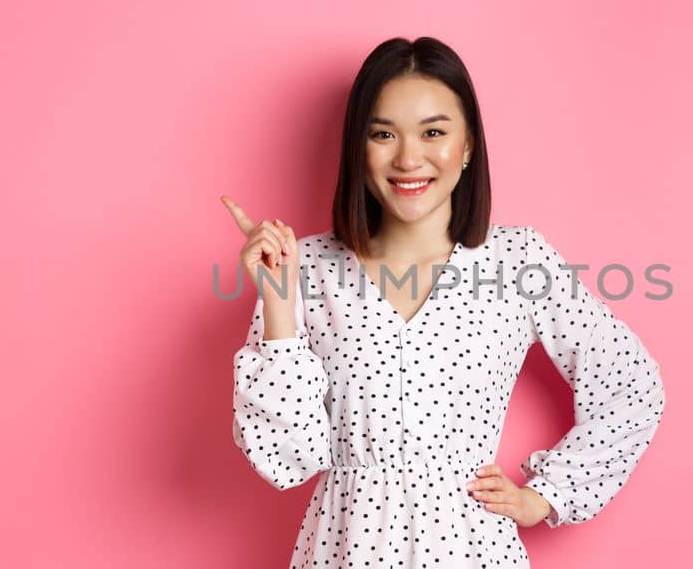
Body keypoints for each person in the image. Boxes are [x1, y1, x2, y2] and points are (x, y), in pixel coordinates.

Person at [219, 36, 665, 568]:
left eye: (433, 132)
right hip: (345, 549)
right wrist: (279, 307)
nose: (409, 158)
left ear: (469, 144)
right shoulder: (303, 267)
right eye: (383, 134)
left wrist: (550, 494)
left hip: (471, 550)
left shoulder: (518, 261)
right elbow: (288, 462)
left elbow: (632, 386)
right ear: (358, 146)